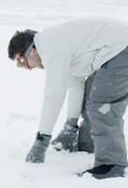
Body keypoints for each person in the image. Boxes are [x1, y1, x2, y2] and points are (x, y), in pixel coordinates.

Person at [8, 17, 128, 179]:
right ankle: (87, 145)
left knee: (101, 106)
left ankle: (112, 164)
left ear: (32, 51)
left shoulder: (50, 46)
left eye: (22, 62)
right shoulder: (57, 45)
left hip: (120, 50)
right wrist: (71, 125)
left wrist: (42, 140)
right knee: (90, 98)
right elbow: (75, 84)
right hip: (113, 53)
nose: (28, 68)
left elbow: (54, 95)